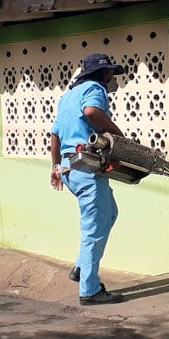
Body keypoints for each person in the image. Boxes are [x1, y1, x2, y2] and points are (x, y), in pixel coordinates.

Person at [50, 53, 126, 305]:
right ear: (103, 74)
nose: (111, 77)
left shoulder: (68, 95)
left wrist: (55, 167)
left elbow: (55, 135)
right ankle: (90, 290)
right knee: (94, 229)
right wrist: (116, 132)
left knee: (110, 214)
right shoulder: (95, 89)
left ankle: (81, 268)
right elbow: (91, 111)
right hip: (87, 168)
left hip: (70, 169)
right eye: (110, 73)